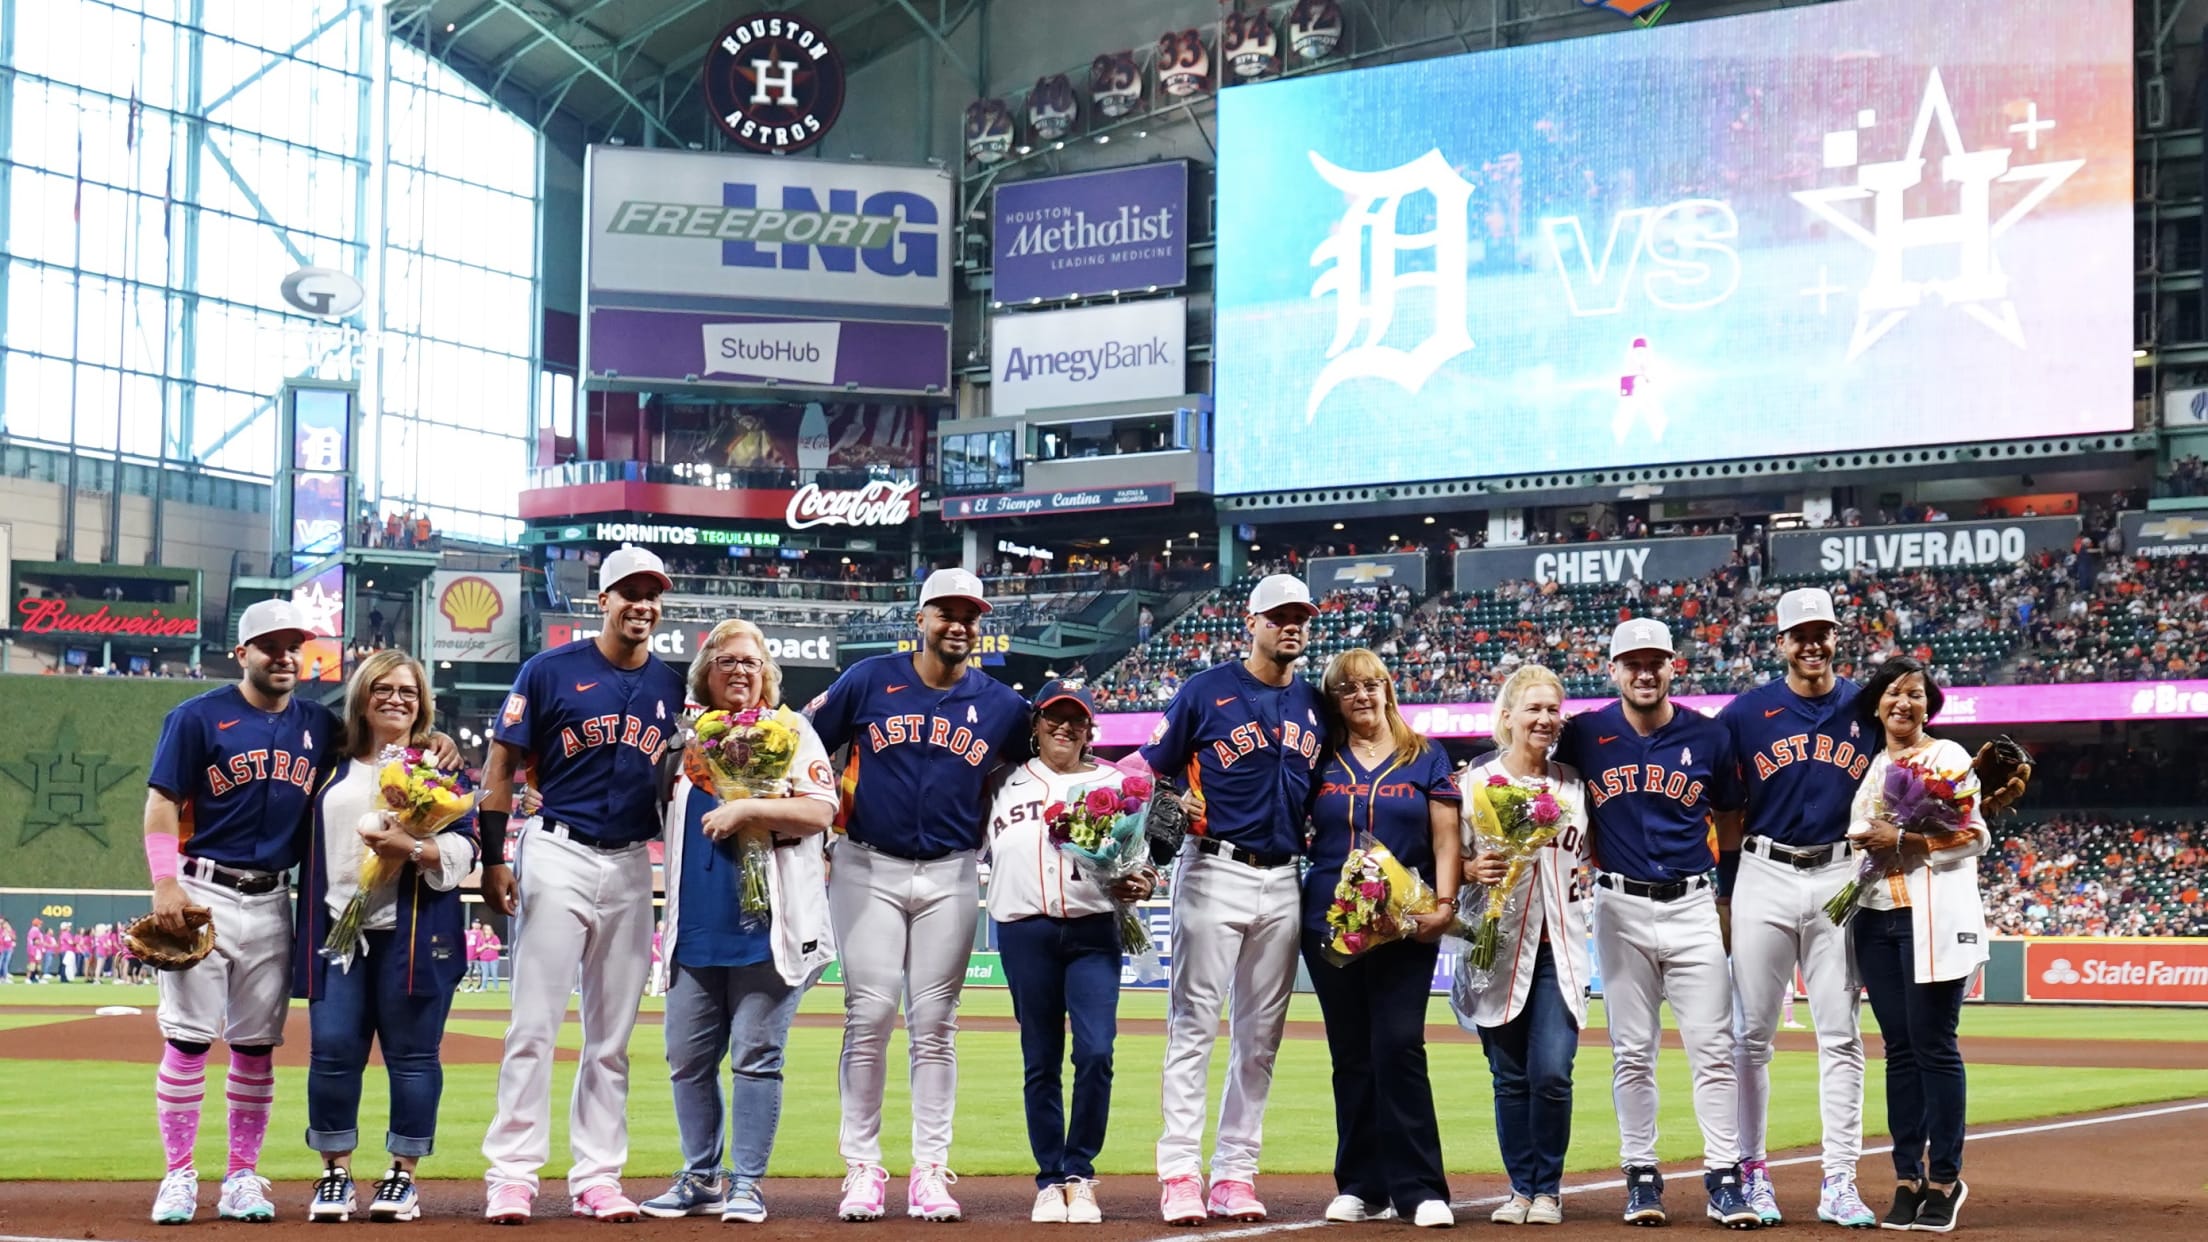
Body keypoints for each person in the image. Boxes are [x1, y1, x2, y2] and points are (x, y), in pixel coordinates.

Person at [140, 600, 457, 1226]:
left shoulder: (319, 726)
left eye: (294, 646)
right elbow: (160, 802)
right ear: (243, 653)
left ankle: (241, 1177)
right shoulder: (196, 717)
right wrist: (163, 882)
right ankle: (178, 1176)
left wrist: (435, 739)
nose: (283, 656)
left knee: (256, 1048)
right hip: (202, 892)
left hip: (272, 899)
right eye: (270, 645)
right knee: (187, 1040)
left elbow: (390, 738)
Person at [804, 568, 1030, 1223]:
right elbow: (806, 747)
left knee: (936, 1028)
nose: (958, 623)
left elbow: (1035, 769)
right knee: (868, 1016)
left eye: (969, 613)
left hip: (953, 872)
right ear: (921, 619)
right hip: (866, 865)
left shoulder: (1001, 705)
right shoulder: (869, 679)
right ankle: (863, 1169)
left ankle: (930, 1169)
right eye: (946, 612)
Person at [478, 546, 687, 1224]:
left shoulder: (669, 684)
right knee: (533, 1025)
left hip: (632, 864)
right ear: (603, 600)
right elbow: (501, 767)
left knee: (611, 1038)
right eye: (629, 592)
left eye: (651, 594)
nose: (642, 605)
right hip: (558, 850)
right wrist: (493, 858)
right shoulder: (550, 670)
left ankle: (597, 1175)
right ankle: (512, 1174)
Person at [1553, 619, 1756, 1229]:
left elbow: (1728, 816)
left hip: (1693, 902)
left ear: (1675, 666)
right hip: (1617, 906)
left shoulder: (1709, 735)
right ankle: (1640, 1175)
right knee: (1632, 1052)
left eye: (1655, 662)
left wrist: (1726, 900)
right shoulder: (1584, 734)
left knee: (1714, 1050)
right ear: (1611, 670)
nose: (1644, 673)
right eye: (1631, 663)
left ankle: (1725, 1177)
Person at [1139, 574, 1326, 1226]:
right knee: (1193, 1027)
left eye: (1300, 615)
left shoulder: (1313, 701)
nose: (1291, 625)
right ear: (1252, 621)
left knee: (1260, 1038)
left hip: (1284, 879)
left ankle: (1236, 1174)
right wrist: (1169, 808)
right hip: (1213, 868)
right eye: (1279, 616)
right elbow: (1157, 769)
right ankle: (1180, 1172)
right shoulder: (1207, 690)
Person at [641, 619, 837, 1225]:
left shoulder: (793, 731)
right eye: (726, 661)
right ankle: (700, 1178)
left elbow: (821, 809)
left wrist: (748, 807)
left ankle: (746, 1184)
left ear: (766, 673)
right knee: (687, 1060)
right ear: (706, 672)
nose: (739, 671)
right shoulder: (681, 741)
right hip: (695, 926)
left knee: (757, 1057)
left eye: (751, 662)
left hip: (769, 929)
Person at [295, 650, 478, 1223]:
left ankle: (403, 1176)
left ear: (422, 701)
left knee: (415, 1058)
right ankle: (335, 1175)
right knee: (331, 1054)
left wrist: (415, 850)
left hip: (415, 937)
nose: (395, 698)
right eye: (382, 688)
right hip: (338, 935)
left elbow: (469, 846)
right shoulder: (328, 763)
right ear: (361, 696)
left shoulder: (440, 768)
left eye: (407, 690)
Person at [1714, 588, 1877, 1227]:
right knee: (1750, 1037)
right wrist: (1726, 889)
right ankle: (1753, 1174)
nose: (1812, 644)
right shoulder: (1746, 714)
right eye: (1799, 634)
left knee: (1841, 1035)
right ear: (1779, 642)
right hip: (1764, 869)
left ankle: (1840, 1179)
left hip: (1841, 871)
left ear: (1837, 637)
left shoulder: (1866, 704)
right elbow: (1725, 809)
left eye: (1822, 632)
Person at [984, 679, 1155, 1225]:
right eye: (1054, 716)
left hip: (1093, 932)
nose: (1065, 727)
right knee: (1040, 1060)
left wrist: (1142, 880)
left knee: (1097, 1052)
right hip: (1024, 930)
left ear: (1089, 729)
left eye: (1076, 719)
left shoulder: (1118, 783)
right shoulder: (1000, 781)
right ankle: (1048, 1179)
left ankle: (1079, 1173)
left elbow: (1143, 860)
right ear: (1035, 725)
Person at [1304, 649, 1460, 1229]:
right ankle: (1362, 1185)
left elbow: (1447, 840)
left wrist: (1445, 906)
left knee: (1398, 1046)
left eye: (1372, 685)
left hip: (1405, 928)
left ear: (1389, 689)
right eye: (1348, 689)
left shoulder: (1426, 756)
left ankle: (1419, 1188)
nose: (1362, 696)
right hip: (1328, 922)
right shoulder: (1322, 757)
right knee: (1350, 1054)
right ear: (1334, 700)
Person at [1846, 657, 1989, 1233]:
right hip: (1875, 919)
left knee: (1933, 1044)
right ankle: (1906, 1177)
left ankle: (1946, 1180)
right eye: (1891, 693)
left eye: (1914, 694)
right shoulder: (1871, 765)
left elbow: (1973, 837)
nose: (1902, 703)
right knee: (1899, 1051)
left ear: (1928, 705)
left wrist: (1901, 837)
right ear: (1877, 704)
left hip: (1930, 917)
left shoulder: (1948, 757)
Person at [1458, 665, 1591, 1228]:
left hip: (1557, 949)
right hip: (1493, 948)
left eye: (1551, 709)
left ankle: (1549, 1189)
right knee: (1509, 1078)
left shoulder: (1577, 784)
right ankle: (1521, 1188)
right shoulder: (1473, 783)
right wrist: (1468, 867)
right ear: (1506, 716)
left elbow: (1596, 854)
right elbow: (1441, 862)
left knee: (1552, 1073)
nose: (1543, 719)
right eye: (1532, 708)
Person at [0, 916, 14, 982]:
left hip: (9, 948)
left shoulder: (10, 930)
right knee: (1, 963)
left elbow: (14, 938)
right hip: (2, 948)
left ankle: (4, 977)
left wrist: (9, 932)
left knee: (5, 963)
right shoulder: (1, 930)